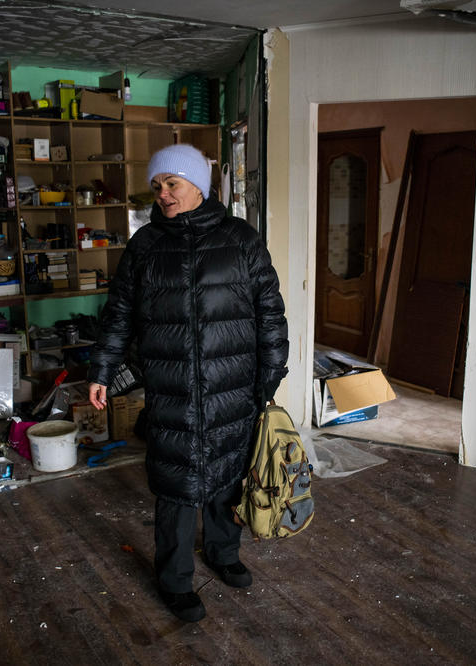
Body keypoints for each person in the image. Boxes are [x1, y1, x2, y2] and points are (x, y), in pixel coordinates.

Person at [87, 143, 288, 623]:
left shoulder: (241, 239)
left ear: (198, 184)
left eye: (171, 183)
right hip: (171, 384)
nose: (162, 194)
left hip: (232, 382)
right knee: (176, 483)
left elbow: (270, 311)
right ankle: (174, 580)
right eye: (157, 186)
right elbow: (119, 316)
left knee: (227, 473)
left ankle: (223, 554)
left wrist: (272, 371)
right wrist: (102, 370)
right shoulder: (146, 246)